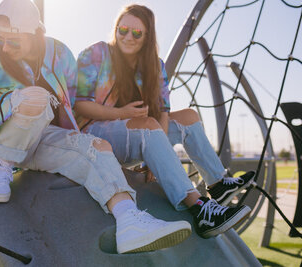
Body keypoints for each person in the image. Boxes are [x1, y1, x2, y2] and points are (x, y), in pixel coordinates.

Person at [0, 0, 195, 254]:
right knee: (37, 98)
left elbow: (67, 107)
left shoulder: (61, 54)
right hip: (5, 137)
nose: (5, 46)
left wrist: (81, 143)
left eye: (13, 40)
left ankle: (130, 221)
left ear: (35, 33)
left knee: (97, 147)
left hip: (45, 141)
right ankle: (3, 166)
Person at [75, 4, 254, 239]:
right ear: (116, 29)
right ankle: (200, 209)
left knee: (189, 116)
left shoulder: (154, 66)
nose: (128, 37)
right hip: (96, 137)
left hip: (138, 134)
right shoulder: (97, 54)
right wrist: (123, 113)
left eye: (137, 33)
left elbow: (163, 113)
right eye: (123, 29)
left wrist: (157, 154)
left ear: (147, 37)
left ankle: (217, 183)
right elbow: (80, 105)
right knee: (149, 125)